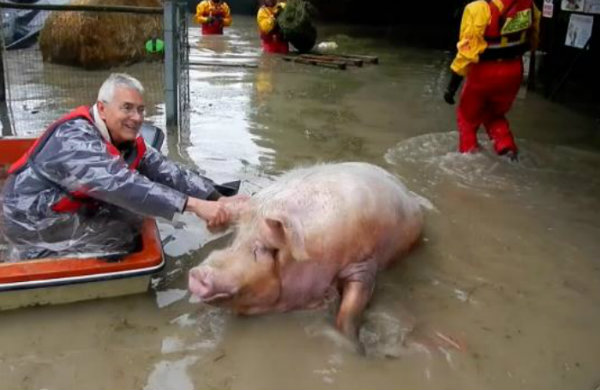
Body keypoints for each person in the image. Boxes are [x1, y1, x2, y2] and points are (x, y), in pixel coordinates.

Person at [1, 73, 244, 260]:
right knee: (123, 233)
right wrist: (195, 206)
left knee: (133, 213)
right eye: (127, 108)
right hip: (29, 218)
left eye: (140, 109)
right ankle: (32, 257)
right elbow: (118, 183)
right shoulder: (74, 138)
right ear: (103, 108)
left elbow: (167, 171)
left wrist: (217, 198)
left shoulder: (124, 138)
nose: (137, 118)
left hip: (62, 206)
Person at [444, 0, 540, 161]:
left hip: (484, 72)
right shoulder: (530, 6)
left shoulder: (478, 8)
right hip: (514, 71)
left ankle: (469, 158)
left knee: (467, 118)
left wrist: (452, 87)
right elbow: (534, 39)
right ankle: (507, 148)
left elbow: (467, 52)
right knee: (495, 114)